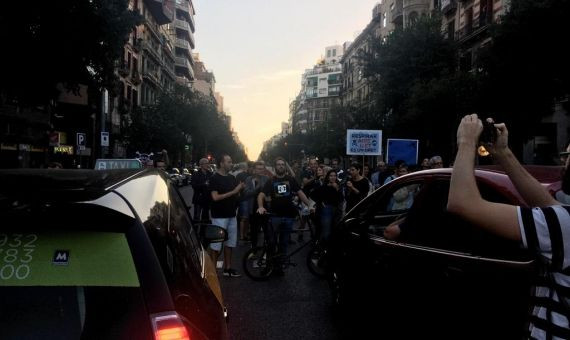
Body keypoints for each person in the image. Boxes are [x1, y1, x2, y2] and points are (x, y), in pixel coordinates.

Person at [446, 114, 570, 339]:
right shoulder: (563, 222)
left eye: (569, 155)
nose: (565, 160)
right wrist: (503, 153)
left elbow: (462, 203)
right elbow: (549, 205)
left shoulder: (564, 225)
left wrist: (466, 143)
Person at [256, 157, 314, 275]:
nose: (281, 166)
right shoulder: (271, 181)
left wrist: (309, 205)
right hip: (275, 216)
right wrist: (261, 206)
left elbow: (300, 193)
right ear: (275, 167)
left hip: (288, 217)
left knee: (284, 243)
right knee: (271, 242)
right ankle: (269, 266)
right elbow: (261, 195)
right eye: (278, 164)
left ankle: (279, 267)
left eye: (283, 164)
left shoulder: (291, 180)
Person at [208, 154, 245, 278]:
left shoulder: (231, 178)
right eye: (229, 162)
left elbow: (236, 195)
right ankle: (212, 272)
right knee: (216, 246)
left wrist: (240, 191)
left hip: (231, 215)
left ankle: (227, 268)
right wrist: (234, 191)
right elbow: (215, 197)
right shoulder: (214, 178)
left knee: (230, 243)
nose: (231, 164)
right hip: (219, 216)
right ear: (221, 163)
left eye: (231, 161)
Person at [312, 169, 344, 243]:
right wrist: (320, 202)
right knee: (326, 231)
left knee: (334, 230)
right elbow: (313, 195)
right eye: (331, 176)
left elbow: (341, 199)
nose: (333, 177)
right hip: (326, 210)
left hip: (336, 211)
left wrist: (337, 188)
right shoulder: (324, 186)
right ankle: (323, 248)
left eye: (335, 176)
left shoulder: (339, 186)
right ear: (328, 177)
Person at [243, 161, 270, 248]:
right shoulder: (249, 179)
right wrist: (257, 188)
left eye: (262, 169)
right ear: (254, 170)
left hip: (265, 208)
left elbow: (269, 193)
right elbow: (246, 193)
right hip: (252, 208)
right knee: (254, 230)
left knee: (267, 230)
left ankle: (267, 250)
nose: (261, 171)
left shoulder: (267, 179)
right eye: (258, 169)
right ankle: (253, 249)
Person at [237, 161, 254, 241]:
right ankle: (241, 236)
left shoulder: (253, 176)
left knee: (248, 219)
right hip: (244, 199)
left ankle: (246, 234)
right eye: (251, 167)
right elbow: (237, 186)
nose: (252, 169)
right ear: (247, 167)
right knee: (244, 218)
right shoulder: (240, 175)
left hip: (251, 199)